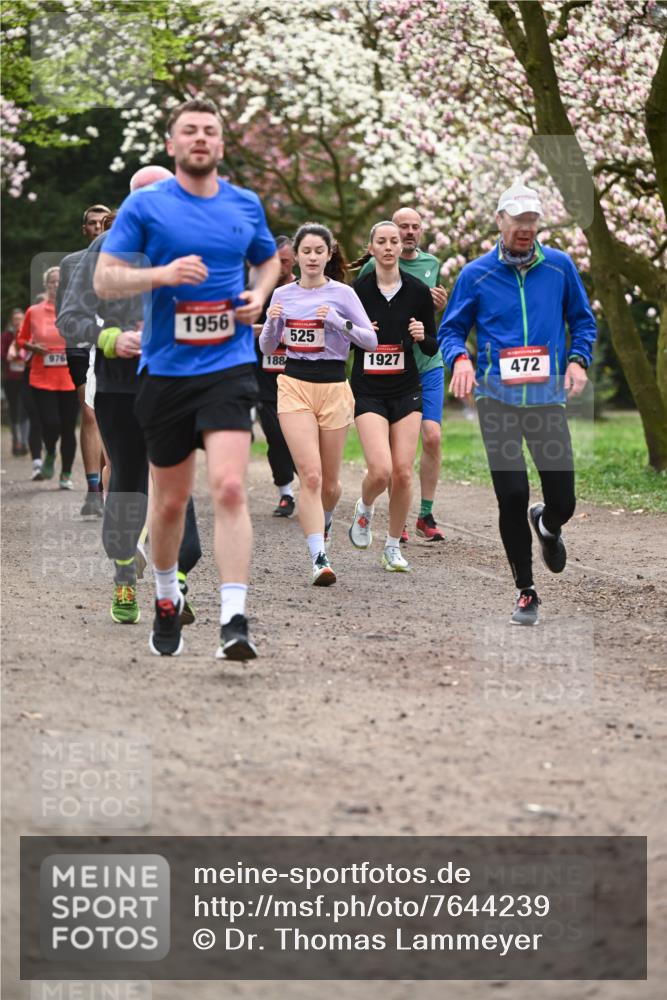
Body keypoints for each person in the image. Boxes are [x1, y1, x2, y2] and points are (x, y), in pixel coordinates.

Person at [94, 98, 280, 659]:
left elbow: (268, 259)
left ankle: (234, 619)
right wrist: (163, 274)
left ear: (220, 143)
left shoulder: (244, 204)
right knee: (171, 503)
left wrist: (259, 293)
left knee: (229, 487)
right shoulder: (146, 206)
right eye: (189, 130)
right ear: (172, 144)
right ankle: (164, 596)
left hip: (228, 366)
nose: (200, 138)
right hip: (166, 372)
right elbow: (105, 279)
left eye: (209, 130)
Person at [439, 181, 596, 625]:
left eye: (532, 221)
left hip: (546, 399)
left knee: (564, 500)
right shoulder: (475, 274)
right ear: (500, 221)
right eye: (518, 220)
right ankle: (526, 590)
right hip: (497, 400)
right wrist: (460, 359)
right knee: (511, 494)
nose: (526, 229)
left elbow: (582, 321)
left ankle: (547, 523)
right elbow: (451, 329)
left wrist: (578, 360)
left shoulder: (560, 267)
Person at [259, 222, 377, 586]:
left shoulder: (343, 294)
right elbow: (267, 347)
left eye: (318, 251)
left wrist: (339, 323)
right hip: (294, 383)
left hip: (333, 386)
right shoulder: (282, 295)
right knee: (309, 476)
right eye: (306, 251)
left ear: (329, 255)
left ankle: (325, 520)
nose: (312, 257)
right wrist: (273, 325)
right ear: (296, 256)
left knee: (329, 484)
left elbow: (370, 341)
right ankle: (319, 558)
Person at [349, 221, 439, 572]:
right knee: (381, 471)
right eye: (382, 242)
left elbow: (432, 344)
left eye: (394, 242)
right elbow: (342, 342)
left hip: (406, 389)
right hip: (369, 390)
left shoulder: (418, 291)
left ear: (402, 248)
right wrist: (358, 333)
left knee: (402, 473)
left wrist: (420, 335)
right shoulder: (357, 292)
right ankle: (365, 507)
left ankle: (391, 547)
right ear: (371, 248)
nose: (389, 247)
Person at [57, 204, 110, 516]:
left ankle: (106, 482)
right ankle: (92, 491)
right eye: (92, 223)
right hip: (80, 345)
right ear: (84, 229)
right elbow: (64, 310)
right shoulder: (71, 263)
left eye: (103, 222)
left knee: (110, 415)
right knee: (89, 413)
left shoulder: (126, 260)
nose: (97, 226)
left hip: (115, 344)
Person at [16, 267, 78, 488]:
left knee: (69, 428)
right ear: (46, 285)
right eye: (52, 281)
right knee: (51, 423)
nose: (56, 285)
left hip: (70, 378)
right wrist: (34, 347)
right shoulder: (34, 311)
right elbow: (21, 340)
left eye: (60, 281)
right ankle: (50, 451)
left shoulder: (74, 310)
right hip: (42, 378)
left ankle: (66, 474)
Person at [251, 235, 297, 517]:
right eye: (275, 261)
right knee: (276, 436)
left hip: (298, 375)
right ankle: (286, 493)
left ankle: (312, 482)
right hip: (264, 377)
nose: (280, 266)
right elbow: (242, 326)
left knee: (301, 435)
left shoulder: (303, 289)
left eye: (285, 261)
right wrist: (268, 328)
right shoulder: (258, 291)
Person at [1, 308, 29, 455]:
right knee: (13, 410)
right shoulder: (6, 336)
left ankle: (24, 443)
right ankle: (15, 442)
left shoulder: (29, 334)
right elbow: (1, 353)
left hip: (26, 379)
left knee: (25, 409)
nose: (18, 321)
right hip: (11, 379)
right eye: (15, 319)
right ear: (12, 321)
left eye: (20, 319)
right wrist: (10, 356)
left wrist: (24, 357)